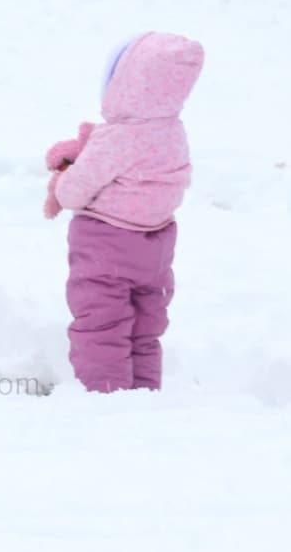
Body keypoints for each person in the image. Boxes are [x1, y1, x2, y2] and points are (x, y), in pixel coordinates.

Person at [43, 32, 203, 392]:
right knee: (144, 334)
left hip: (107, 249)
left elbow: (71, 193)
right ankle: (144, 398)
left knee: (102, 329)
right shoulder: (172, 132)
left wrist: (66, 173)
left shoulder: (117, 138)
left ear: (124, 86)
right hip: (156, 250)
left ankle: (106, 405)